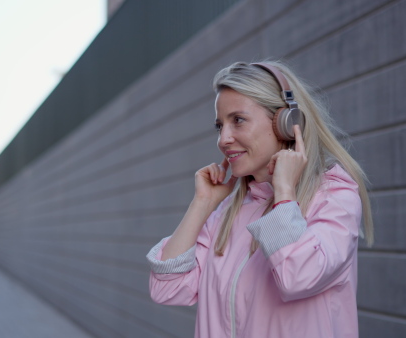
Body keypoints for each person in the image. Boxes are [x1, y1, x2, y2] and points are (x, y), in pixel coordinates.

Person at [146, 60, 374, 338]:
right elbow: (166, 288)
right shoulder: (228, 211)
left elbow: (298, 276)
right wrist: (203, 204)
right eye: (220, 126)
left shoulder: (334, 197)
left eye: (238, 120)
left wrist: (284, 193)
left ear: (287, 124)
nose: (223, 139)